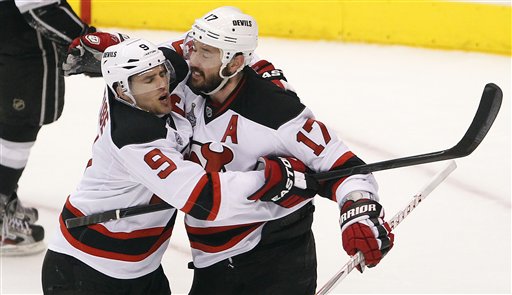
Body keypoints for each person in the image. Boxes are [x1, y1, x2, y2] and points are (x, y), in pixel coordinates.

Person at [63, 7, 395, 294]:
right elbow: (167, 55)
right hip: (214, 261)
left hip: (272, 259)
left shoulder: (275, 111)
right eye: (193, 47)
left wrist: (359, 213)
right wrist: (120, 48)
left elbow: (344, 167)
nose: (191, 59)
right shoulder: (183, 83)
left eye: (205, 53)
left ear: (235, 61)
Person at [41, 38, 317, 294]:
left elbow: (205, 43)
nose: (164, 83)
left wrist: (264, 74)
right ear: (122, 90)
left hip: (142, 268)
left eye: (162, 73)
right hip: (88, 272)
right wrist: (272, 179)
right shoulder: (135, 137)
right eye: (150, 79)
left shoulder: (139, 92)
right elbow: (203, 197)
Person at [0, 0, 93, 255]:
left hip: (11, 43)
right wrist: (88, 43)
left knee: (9, 125)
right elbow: (40, 7)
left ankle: (6, 197)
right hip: (21, 52)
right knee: (18, 128)